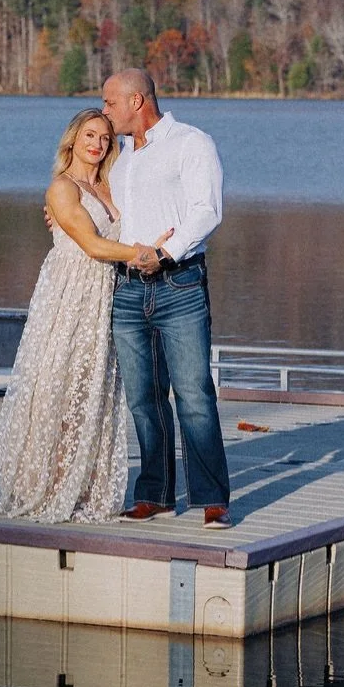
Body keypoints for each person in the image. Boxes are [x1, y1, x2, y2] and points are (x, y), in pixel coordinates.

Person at [0, 108, 171, 522]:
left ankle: (82, 485)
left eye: (106, 139)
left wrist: (159, 240)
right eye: (90, 135)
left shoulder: (113, 185)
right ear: (73, 140)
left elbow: (144, 207)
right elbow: (90, 244)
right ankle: (48, 485)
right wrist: (146, 255)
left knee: (92, 391)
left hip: (107, 293)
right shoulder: (61, 188)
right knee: (58, 386)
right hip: (69, 294)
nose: (98, 144)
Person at [101, 68, 232, 530]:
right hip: (127, 289)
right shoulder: (121, 158)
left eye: (110, 103)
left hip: (179, 285)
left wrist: (164, 253)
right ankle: (155, 494)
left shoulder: (193, 144)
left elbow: (206, 211)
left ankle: (212, 498)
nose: (105, 112)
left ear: (137, 101)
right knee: (142, 397)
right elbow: (106, 210)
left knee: (194, 394)